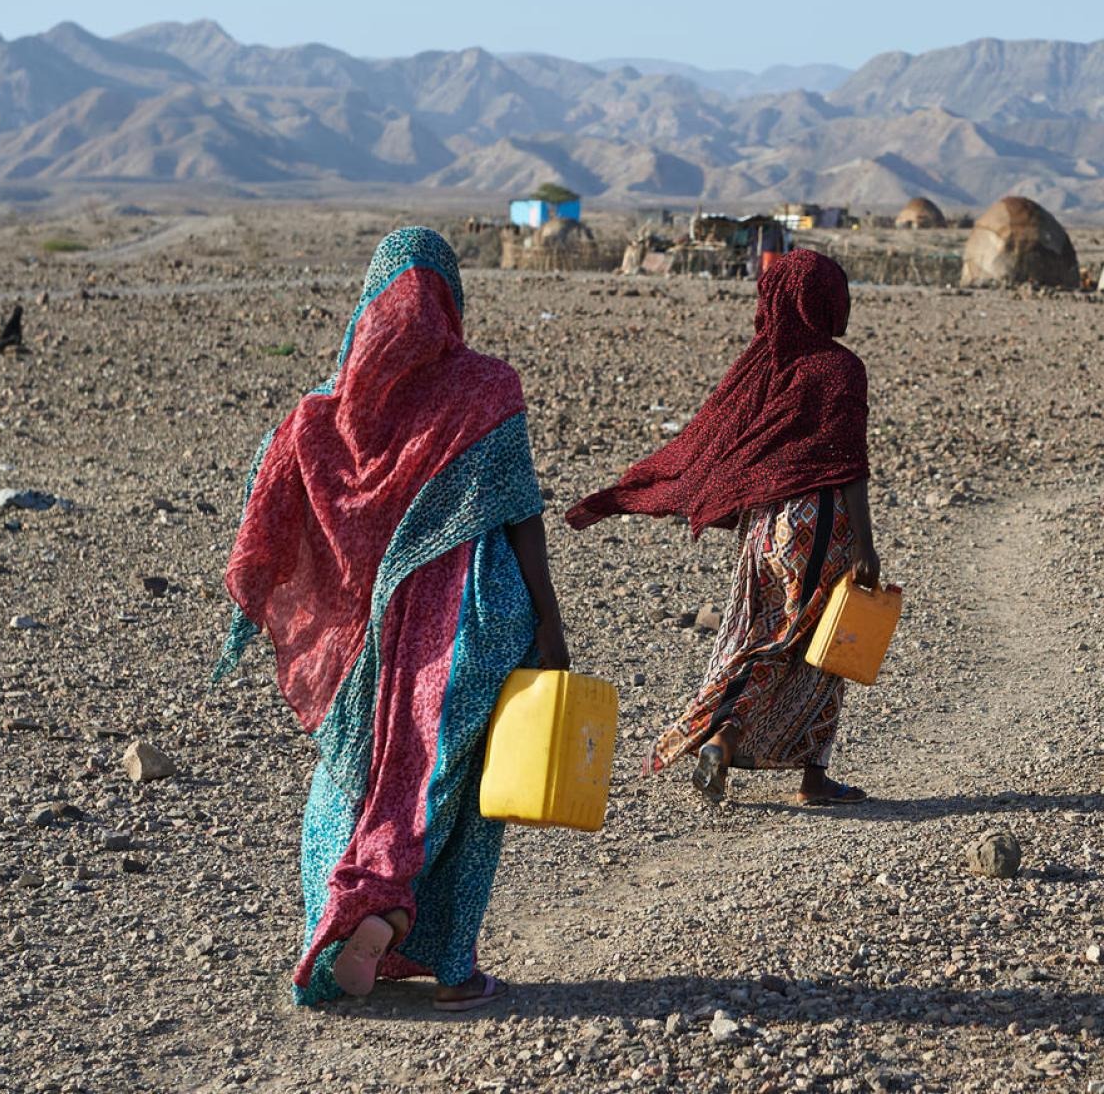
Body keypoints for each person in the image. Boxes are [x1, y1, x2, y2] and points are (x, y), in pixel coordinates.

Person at [214, 227, 568, 1010]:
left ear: (371, 301)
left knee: (360, 778)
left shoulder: (320, 417)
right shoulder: (488, 387)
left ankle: (346, 921)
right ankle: (442, 958)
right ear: (449, 301)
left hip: (363, 643)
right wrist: (551, 627)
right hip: (476, 621)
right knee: (451, 785)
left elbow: (265, 516)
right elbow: (522, 517)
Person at [567, 249, 879, 807]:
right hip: (822, 526)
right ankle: (754, 752)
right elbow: (848, 465)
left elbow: (720, 440)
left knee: (764, 636)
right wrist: (866, 546)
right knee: (816, 645)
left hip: (766, 528)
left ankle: (737, 744)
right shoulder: (840, 369)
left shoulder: (762, 365)